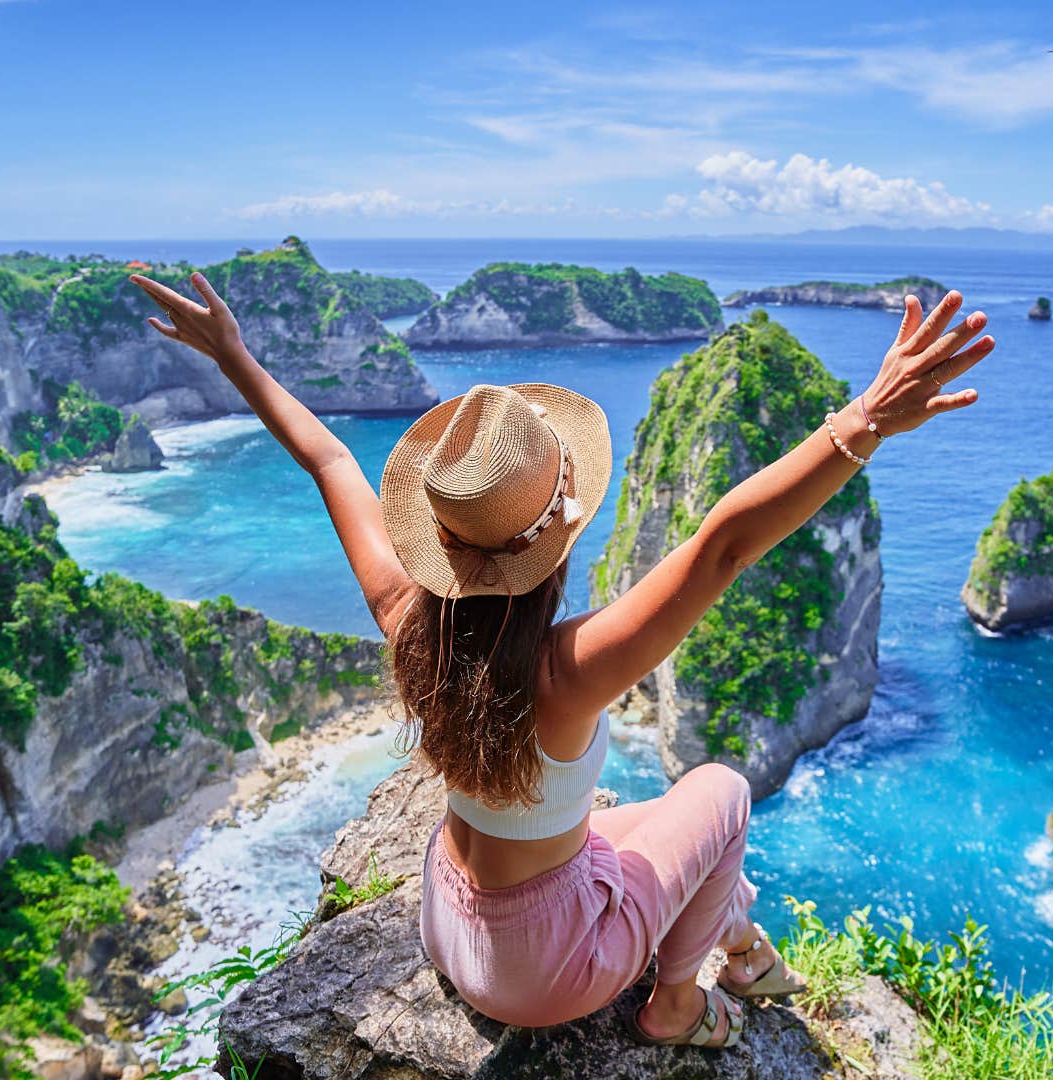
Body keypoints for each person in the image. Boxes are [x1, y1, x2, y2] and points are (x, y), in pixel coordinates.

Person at [130, 270, 993, 1048]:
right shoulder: (569, 672)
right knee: (722, 792)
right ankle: (680, 1008)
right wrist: (866, 417)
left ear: (441, 542)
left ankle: (740, 939)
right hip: (546, 976)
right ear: (556, 543)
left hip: (449, 923)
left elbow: (326, 459)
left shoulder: (409, 622)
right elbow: (725, 544)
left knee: (656, 831)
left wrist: (233, 356)